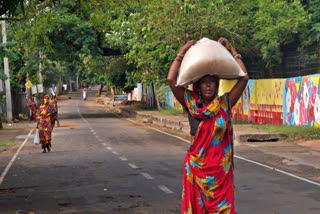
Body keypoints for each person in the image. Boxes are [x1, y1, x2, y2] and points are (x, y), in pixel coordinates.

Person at [167, 37, 249, 213]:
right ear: (198, 85)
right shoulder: (191, 103)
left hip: (221, 174)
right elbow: (171, 79)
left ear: (217, 84)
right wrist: (182, 52)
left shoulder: (224, 104)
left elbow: (244, 78)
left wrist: (233, 50)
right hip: (196, 170)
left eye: (212, 81)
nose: (209, 86)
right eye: (205, 82)